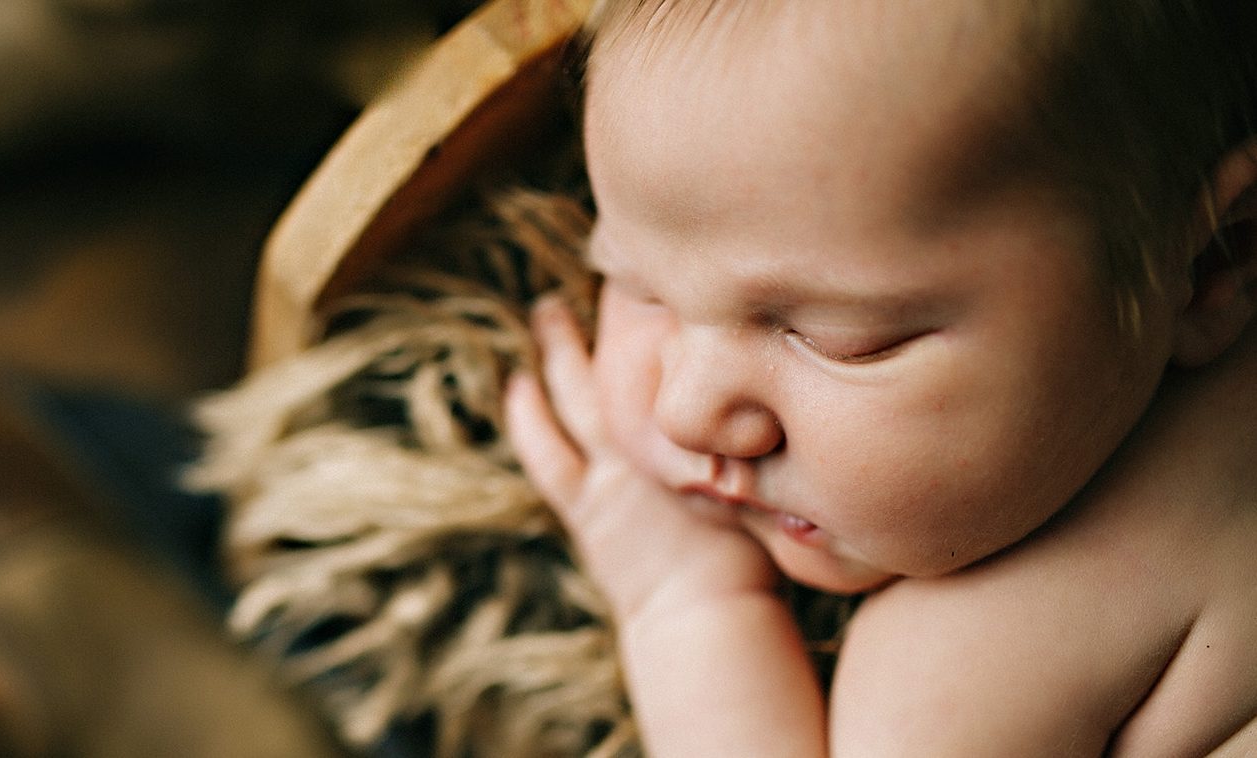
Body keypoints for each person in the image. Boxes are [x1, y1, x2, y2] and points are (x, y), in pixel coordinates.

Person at [501, 0, 1257, 754]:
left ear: (1213, 259)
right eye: (638, 286)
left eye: (843, 342)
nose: (686, 410)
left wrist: (685, 602)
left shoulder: (962, 673)